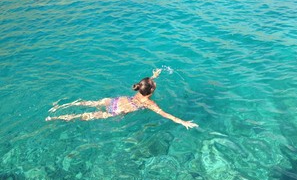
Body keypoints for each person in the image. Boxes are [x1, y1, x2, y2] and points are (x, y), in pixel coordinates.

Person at [46, 69, 198, 129]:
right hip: (119, 110)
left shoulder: (140, 88)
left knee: (88, 103)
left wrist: (154, 76)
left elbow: (146, 83)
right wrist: (182, 122)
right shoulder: (149, 103)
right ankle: (57, 118)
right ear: (151, 91)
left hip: (115, 101)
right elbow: (165, 114)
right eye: (154, 84)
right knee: (85, 117)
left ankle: (59, 108)